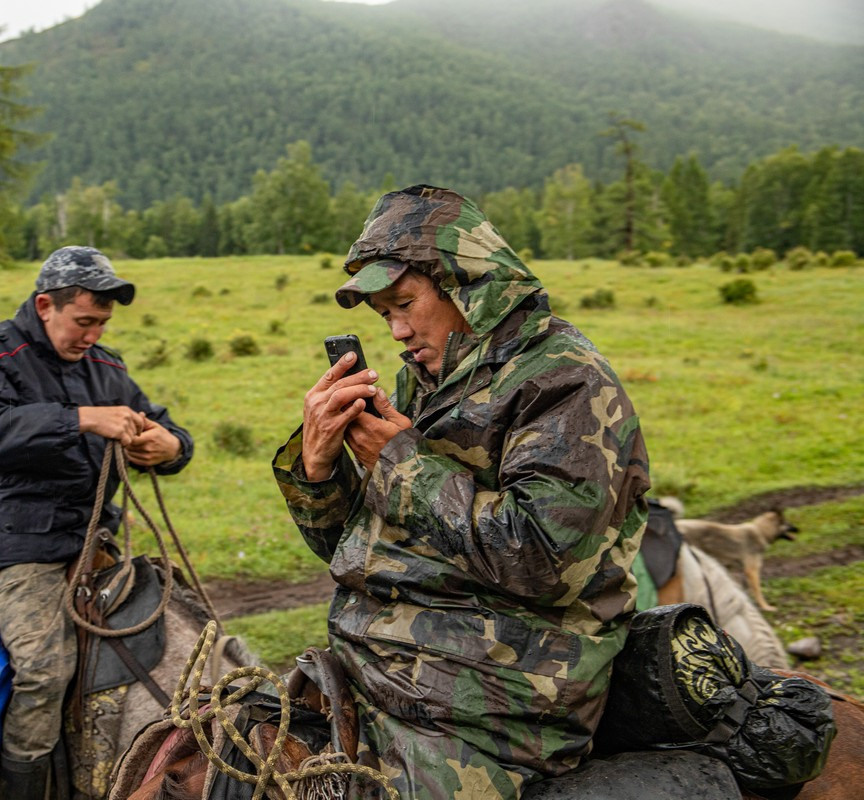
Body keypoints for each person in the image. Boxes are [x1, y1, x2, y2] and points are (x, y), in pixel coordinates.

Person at [272, 186, 650, 800]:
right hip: (388, 661)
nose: (396, 330)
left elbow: (546, 559)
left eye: (404, 304)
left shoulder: (564, 381)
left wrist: (401, 466)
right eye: (381, 315)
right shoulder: (430, 376)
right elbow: (362, 545)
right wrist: (319, 469)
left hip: (499, 694)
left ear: (468, 286)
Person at [0, 246, 194, 799]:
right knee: (43, 670)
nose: (92, 334)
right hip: (18, 546)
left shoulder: (106, 368)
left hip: (94, 545)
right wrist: (82, 419)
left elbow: (162, 426)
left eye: (102, 323)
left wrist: (170, 445)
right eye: (84, 321)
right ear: (45, 305)